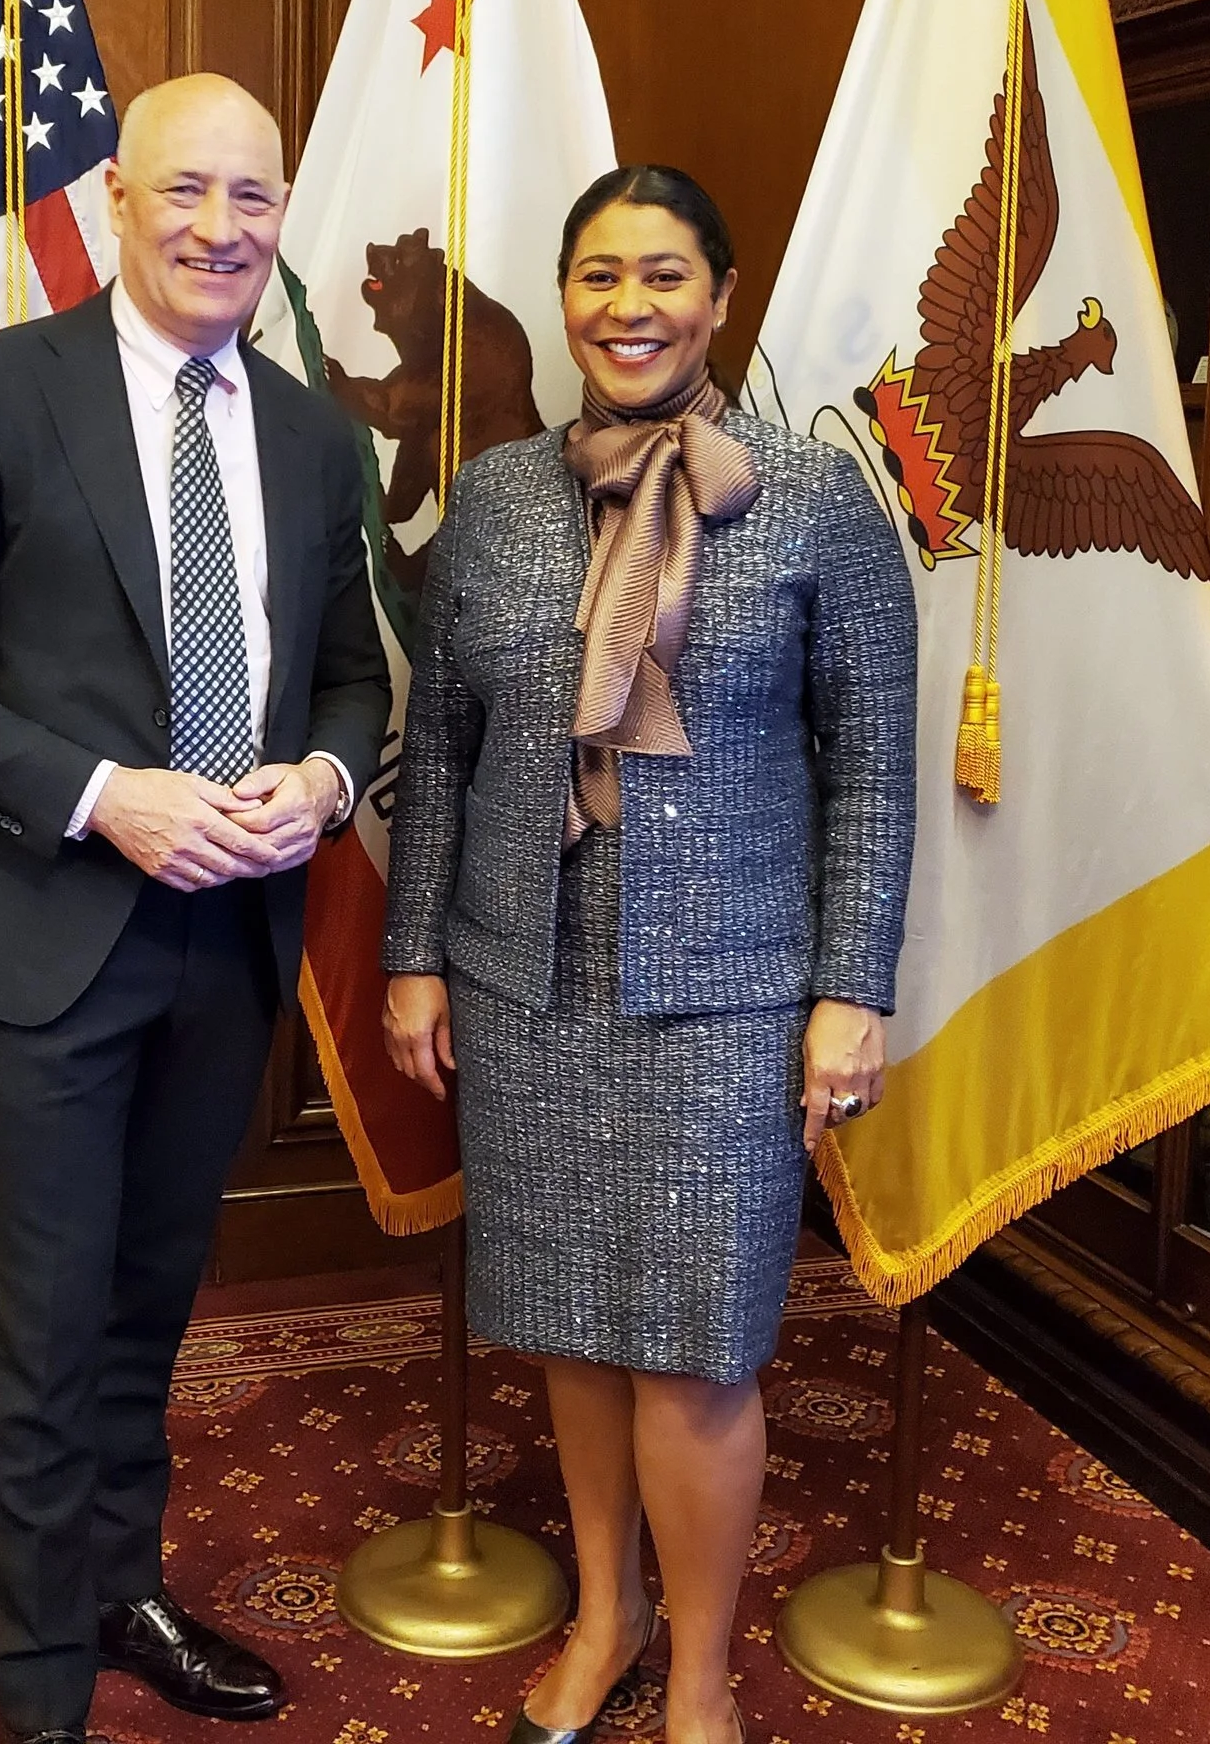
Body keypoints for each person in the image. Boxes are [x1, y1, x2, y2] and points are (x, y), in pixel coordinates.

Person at [0, 74, 390, 1744]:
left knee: (153, 1302)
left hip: (229, 947)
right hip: (50, 938)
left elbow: (357, 677)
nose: (222, 228)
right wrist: (101, 796)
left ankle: (121, 1583)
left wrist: (326, 780)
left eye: (254, 197)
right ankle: (40, 1691)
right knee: (47, 1318)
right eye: (189, 193)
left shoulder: (312, 430)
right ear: (122, 203)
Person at [380, 166, 918, 1744]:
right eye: (600, 275)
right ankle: (605, 1617)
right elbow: (451, 751)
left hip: (732, 994)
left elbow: (875, 767)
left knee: (693, 1350)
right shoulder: (489, 501)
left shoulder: (821, 504)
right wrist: (415, 956)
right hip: (524, 980)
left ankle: (695, 1673)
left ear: (721, 297)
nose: (631, 306)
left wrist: (852, 991)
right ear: (564, 303)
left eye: (665, 274)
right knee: (566, 1314)